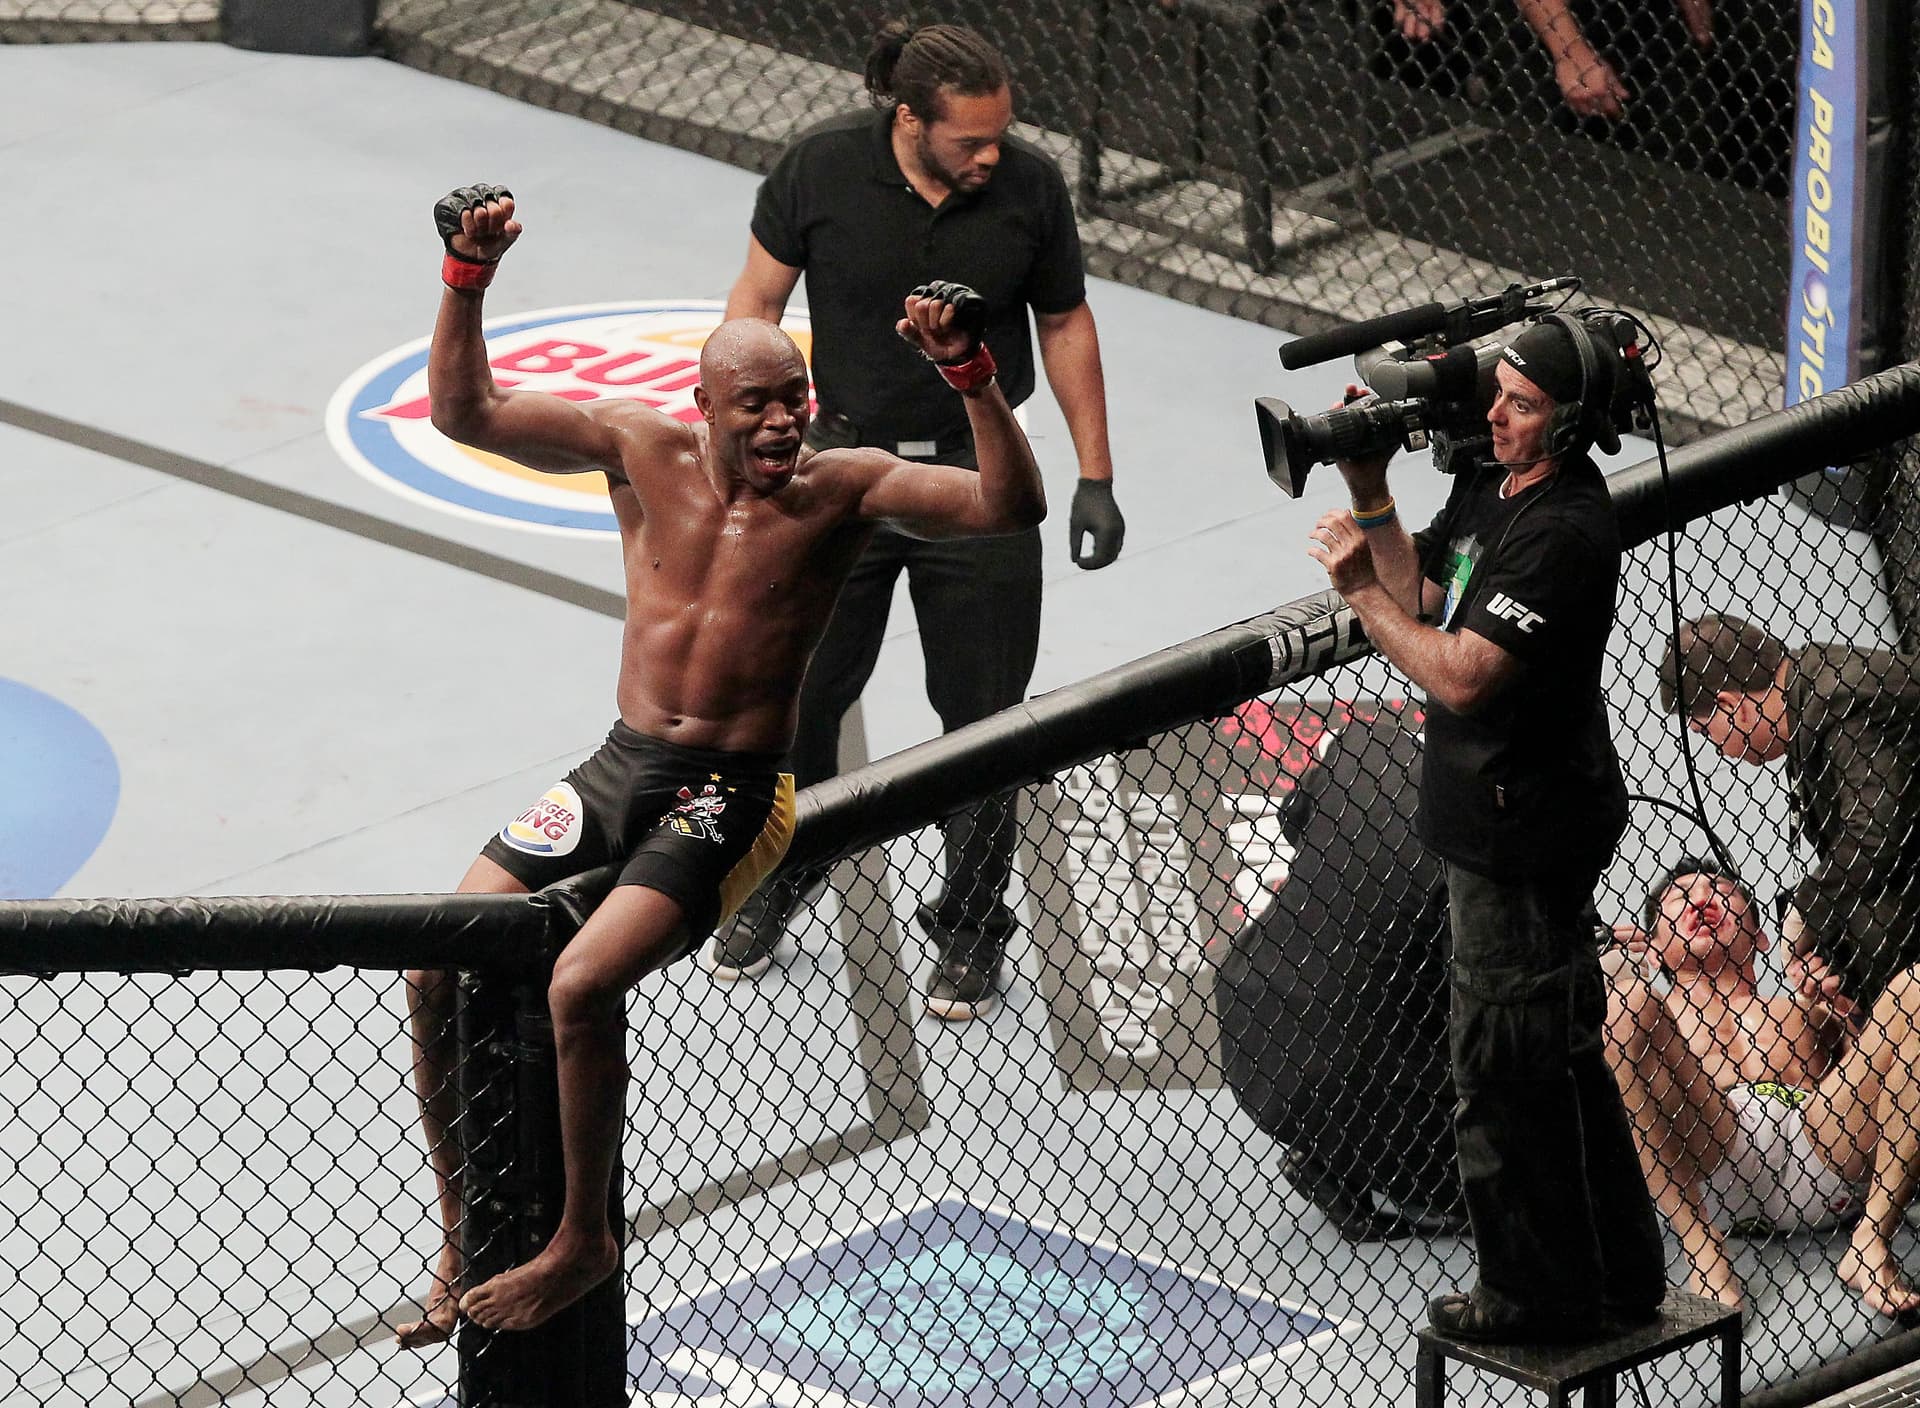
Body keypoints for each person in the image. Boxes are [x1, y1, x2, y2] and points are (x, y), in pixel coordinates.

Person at [395, 183, 1046, 1344]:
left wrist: (971, 375)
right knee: (434, 963)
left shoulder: (841, 488)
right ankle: (455, 1234)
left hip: (733, 789)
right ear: (702, 408)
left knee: (580, 985)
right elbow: (466, 412)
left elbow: (1009, 504)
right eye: (758, 406)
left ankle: (584, 1239)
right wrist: (466, 280)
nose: (785, 423)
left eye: (797, 400)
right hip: (619, 765)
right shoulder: (638, 448)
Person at [715, 19, 1126, 1021]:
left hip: (978, 479)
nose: (992, 156)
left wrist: (1095, 474)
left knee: (985, 719)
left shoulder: (1029, 188)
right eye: (970, 140)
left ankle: (972, 923)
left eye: (1000, 136)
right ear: (909, 120)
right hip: (841, 473)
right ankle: (785, 865)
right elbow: (754, 304)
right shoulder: (819, 169)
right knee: (797, 696)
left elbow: (1065, 321)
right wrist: (745, 445)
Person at [1304, 318, 1666, 1341]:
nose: (1495, 415)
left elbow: (1461, 673)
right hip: (1505, 816)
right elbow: (1425, 590)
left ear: (1572, 423)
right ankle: (1622, 1276)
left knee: (1503, 1077)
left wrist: (1356, 594)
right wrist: (1371, 492)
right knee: (1565, 1056)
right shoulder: (1490, 481)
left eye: (1522, 404)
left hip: (1524, 835)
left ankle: (1531, 1298)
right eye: (1496, 392)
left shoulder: (1564, 530)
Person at [1606, 860, 1920, 1320]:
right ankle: (1703, 1251)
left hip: (1821, 1145)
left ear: (1760, 937)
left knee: (1915, 987)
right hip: (1713, 1153)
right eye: (1679, 897)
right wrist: (1602, 976)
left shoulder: (1803, 1008)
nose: (1700, 899)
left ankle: (1871, 1239)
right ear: (1653, 950)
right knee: (1623, 1006)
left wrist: (1844, 1011)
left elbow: (1892, 1081)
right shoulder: (1653, 1014)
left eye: (1720, 890)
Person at [1213, 705, 1463, 1242]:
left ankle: (1331, 1155)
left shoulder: (1363, 743)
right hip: (1364, 1074)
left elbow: (1292, 819)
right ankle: (1387, 1169)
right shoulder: (1473, 835)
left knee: (1371, 977)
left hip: (1251, 1023)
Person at [1658, 615, 1920, 1011]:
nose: (1718, 749)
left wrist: (1806, 911)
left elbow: (1875, 836)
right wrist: (1832, 950)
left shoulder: (1839, 702)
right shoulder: (1810, 702)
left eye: (1706, 731)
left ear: (1731, 706)